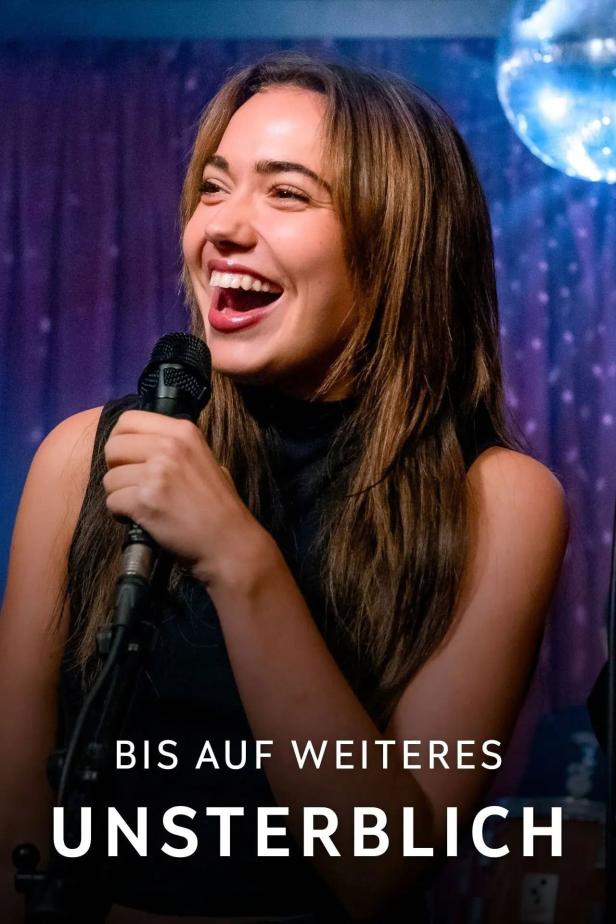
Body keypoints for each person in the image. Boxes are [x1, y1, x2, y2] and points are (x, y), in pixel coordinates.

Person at [0, 52, 568, 923]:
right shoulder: (85, 458)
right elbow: (15, 829)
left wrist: (237, 557)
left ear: (397, 246)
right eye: (213, 187)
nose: (222, 228)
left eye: (287, 194)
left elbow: (378, 868)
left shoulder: (501, 501)